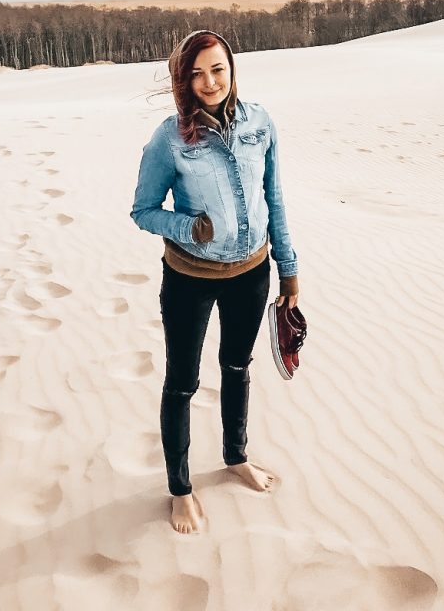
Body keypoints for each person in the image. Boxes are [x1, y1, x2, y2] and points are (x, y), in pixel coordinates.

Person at [130, 28, 299, 534]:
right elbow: (142, 209)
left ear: (232, 69)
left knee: (236, 367)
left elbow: (276, 200)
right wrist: (187, 228)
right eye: (197, 72)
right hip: (189, 279)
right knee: (181, 383)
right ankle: (180, 489)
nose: (209, 81)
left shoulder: (260, 123)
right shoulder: (170, 138)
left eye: (218, 69)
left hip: (252, 273)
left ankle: (234, 456)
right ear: (184, 78)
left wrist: (288, 269)